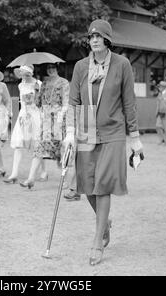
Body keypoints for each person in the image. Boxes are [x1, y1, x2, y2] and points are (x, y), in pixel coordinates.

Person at [62, 19, 143, 266]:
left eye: (99, 37)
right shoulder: (80, 66)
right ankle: (104, 221)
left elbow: (129, 102)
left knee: (103, 184)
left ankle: (97, 241)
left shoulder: (122, 64)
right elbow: (74, 101)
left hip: (113, 131)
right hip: (85, 129)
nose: (94, 40)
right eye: (91, 37)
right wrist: (69, 131)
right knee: (87, 185)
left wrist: (135, 138)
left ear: (107, 40)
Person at [19, 63, 69, 189]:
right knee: (39, 148)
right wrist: (36, 91)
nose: (50, 70)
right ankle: (30, 179)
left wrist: (61, 116)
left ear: (57, 69)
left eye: (53, 68)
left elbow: (66, 102)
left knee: (62, 152)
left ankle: (66, 180)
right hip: (46, 121)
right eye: (48, 68)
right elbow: (38, 103)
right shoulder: (44, 83)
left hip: (59, 120)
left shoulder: (64, 83)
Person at [3, 65, 47, 184]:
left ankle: (43, 171)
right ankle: (14, 174)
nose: (24, 75)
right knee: (18, 144)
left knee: (37, 145)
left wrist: (36, 98)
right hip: (23, 116)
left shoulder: (38, 83)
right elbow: (21, 102)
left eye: (26, 73)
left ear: (30, 73)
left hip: (35, 115)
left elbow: (43, 101)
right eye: (22, 73)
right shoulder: (21, 85)